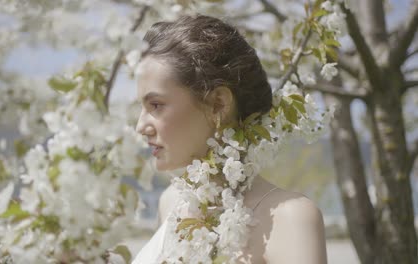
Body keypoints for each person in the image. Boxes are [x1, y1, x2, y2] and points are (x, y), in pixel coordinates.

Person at [133, 14, 327, 264]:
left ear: (218, 103)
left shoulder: (290, 219)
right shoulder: (170, 202)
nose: (141, 126)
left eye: (156, 105)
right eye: (141, 107)